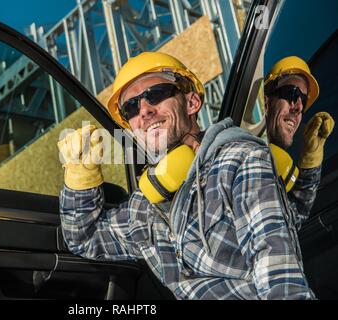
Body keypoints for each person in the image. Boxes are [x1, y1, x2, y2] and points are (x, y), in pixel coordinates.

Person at [58, 52, 315, 299]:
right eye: (131, 108)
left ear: (192, 102)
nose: (144, 111)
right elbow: (84, 238)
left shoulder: (239, 160)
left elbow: (277, 267)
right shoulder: (145, 206)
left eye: (155, 94)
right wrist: (81, 180)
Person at [264, 56, 335, 228]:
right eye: (292, 94)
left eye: (303, 101)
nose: (298, 108)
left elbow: (292, 219)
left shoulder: (276, 167)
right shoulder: (240, 154)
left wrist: (311, 161)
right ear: (266, 102)